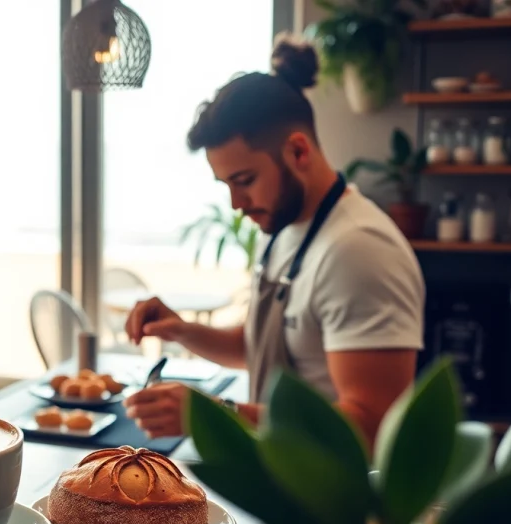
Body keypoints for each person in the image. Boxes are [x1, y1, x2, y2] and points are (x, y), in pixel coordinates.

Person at [123, 36, 425, 447]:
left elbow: (372, 427)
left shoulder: (360, 250)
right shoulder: (283, 226)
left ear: (298, 151)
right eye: (226, 185)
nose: (236, 203)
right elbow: (259, 347)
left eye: (245, 180)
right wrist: (182, 330)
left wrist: (214, 415)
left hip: (332, 487)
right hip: (278, 475)